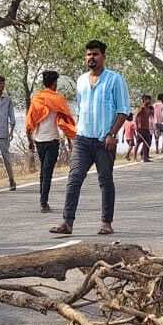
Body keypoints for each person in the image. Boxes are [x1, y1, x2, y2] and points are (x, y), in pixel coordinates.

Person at [50, 39, 129, 236]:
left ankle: (106, 222)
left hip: (104, 140)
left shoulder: (115, 79)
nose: (91, 58)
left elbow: (123, 111)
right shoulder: (81, 80)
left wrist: (112, 134)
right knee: (74, 178)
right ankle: (67, 223)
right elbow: (81, 109)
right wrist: (73, 135)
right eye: (88, 54)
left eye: (95, 54)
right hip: (83, 139)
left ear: (103, 56)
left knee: (105, 181)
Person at [25, 70, 75, 213]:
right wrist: (71, 137)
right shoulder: (58, 99)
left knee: (45, 170)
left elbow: (30, 120)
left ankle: (43, 200)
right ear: (54, 83)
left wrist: (30, 139)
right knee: (46, 171)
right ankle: (43, 201)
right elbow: (66, 119)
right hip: (50, 140)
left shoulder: (37, 98)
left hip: (40, 140)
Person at [133, 94, 154, 162]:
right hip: (140, 128)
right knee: (138, 142)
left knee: (146, 143)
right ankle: (134, 157)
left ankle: (144, 157)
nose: (150, 101)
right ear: (144, 100)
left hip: (146, 128)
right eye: (148, 99)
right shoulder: (141, 108)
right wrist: (136, 127)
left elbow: (152, 115)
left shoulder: (148, 108)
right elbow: (135, 116)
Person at [152, 93, 163, 158]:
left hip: (155, 122)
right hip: (162, 122)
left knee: (156, 137)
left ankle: (157, 149)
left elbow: (152, 113)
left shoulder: (154, 105)